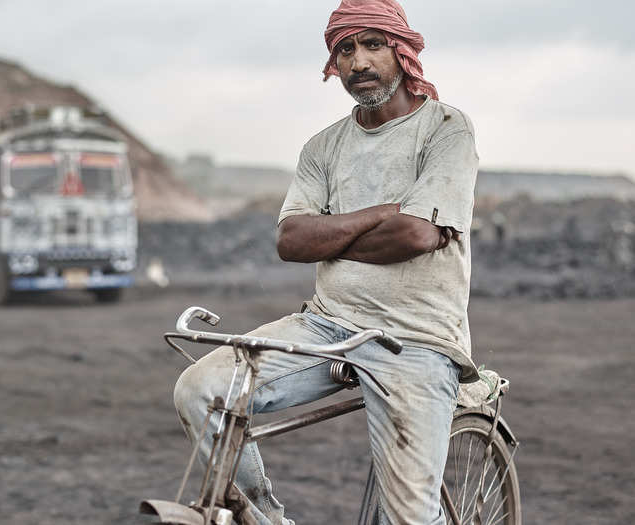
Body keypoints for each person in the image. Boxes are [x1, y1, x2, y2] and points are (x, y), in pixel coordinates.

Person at [173, 0, 480, 523]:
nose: (358, 61)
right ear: (333, 63)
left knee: (409, 517)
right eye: (345, 50)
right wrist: (382, 212)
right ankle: (263, 517)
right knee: (200, 390)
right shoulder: (323, 147)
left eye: (372, 44)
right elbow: (291, 241)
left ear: (401, 51)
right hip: (326, 325)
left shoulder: (445, 128)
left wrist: (334, 234)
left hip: (418, 339)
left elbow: (415, 234)